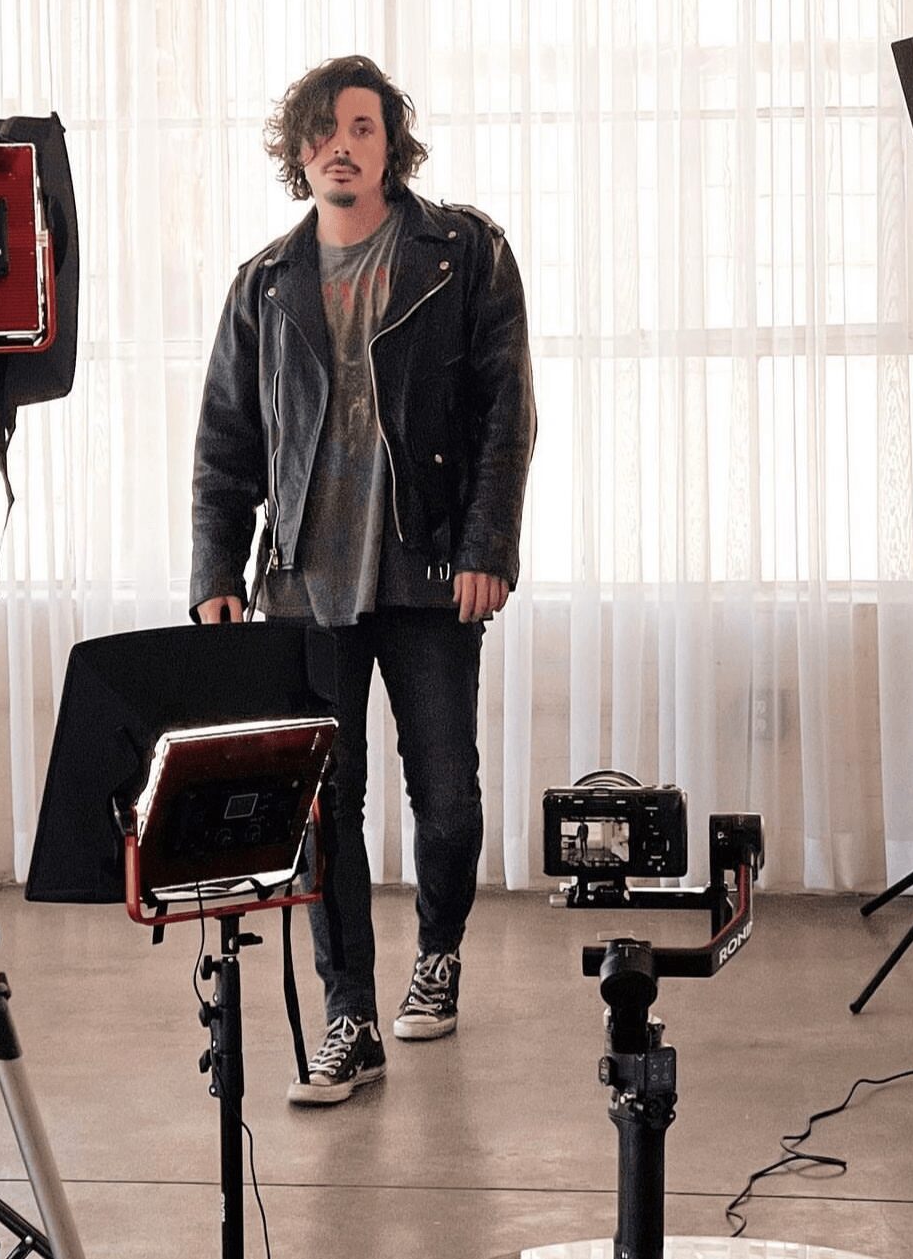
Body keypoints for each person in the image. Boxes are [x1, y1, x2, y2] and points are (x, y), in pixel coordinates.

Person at [190, 55, 535, 1106]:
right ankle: (349, 1019)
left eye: (362, 128)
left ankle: (439, 952)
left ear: (393, 146)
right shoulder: (264, 283)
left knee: (446, 795)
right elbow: (226, 441)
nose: (340, 146)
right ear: (299, 153)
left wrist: (486, 547)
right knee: (322, 810)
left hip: (428, 569)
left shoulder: (462, 254)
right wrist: (216, 568)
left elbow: (505, 414)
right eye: (322, 130)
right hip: (305, 582)